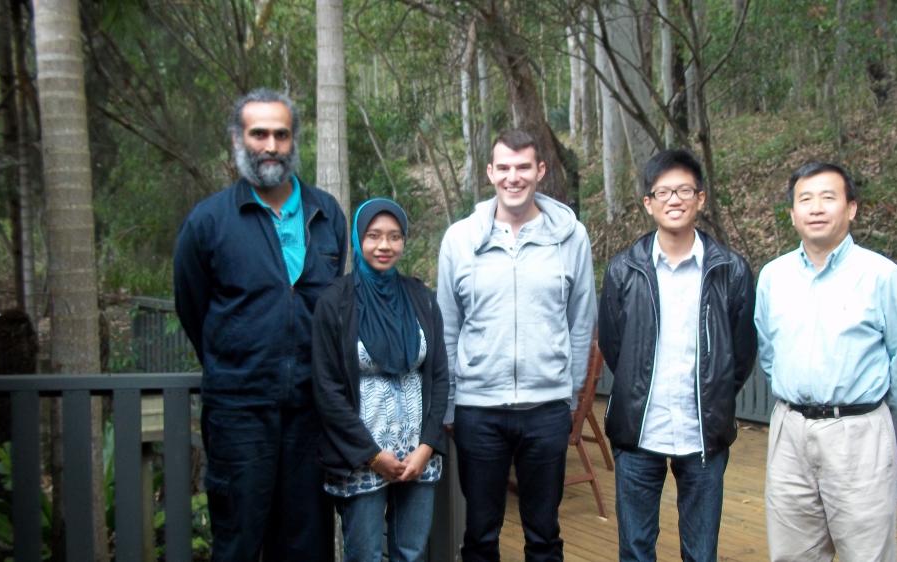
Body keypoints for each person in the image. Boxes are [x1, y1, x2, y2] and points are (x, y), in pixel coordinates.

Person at [173, 88, 347, 562]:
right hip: (239, 412)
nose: (270, 145)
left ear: (294, 141)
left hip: (312, 415)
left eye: (281, 134)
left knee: (307, 543)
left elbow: (330, 304)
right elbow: (193, 308)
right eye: (259, 134)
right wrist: (241, 361)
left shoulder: (326, 213)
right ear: (238, 139)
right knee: (239, 539)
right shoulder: (208, 222)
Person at [437, 129, 596, 561]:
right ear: (490, 173)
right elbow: (448, 329)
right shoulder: (459, 240)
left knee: (544, 534)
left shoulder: (570, 237)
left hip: (546, 410)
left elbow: (581, 323)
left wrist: (569, 399)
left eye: (523, 166)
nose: (513, 177)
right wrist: (451, 404)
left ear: (540, 171)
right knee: (480, 534)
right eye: (503, 167)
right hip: (478, 411)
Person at [755, 162, 897, 562]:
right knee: (791, 552)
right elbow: (767, 353)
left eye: (828, 197)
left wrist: (869, 417)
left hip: (858, 434)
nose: (816, 208)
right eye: (805, 199)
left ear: (851, 209)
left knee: (866, 552)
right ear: (792, 213)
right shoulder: (772, 277)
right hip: (789, 432)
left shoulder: (883, 276)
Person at [598, 149, 757, 562]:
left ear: (700, 199)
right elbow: (616, 348)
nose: (675, 199)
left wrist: (716, 391)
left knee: (701, 553)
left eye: (684, 190)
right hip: (639, 430)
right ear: (648, 203)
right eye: (663, 191)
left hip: (703, 431)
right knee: (635, 549)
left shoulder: (731, 270)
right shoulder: (623, 270)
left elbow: (740, 353)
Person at [312, 198, 449, 562]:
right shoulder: (335, 303)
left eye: (394, 236)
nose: (384, 246)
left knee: (412, 552)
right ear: (358, 239)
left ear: (404, 241)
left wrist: (427, 447)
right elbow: (327, 390)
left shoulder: (421, 297)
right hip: (361, 456)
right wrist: (372, 455)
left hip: (418, 455)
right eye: (373, 236)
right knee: (366, 554)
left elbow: (437, 376)